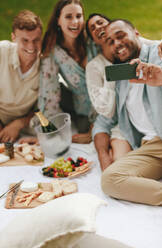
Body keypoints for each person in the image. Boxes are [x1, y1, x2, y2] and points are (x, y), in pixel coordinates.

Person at [93, 19, 162, 206]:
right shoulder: (121, 75)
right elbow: (106, 119)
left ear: (136, 32)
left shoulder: (160, 53)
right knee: (110, 180)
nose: (117, 44)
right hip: (152, 148)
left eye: (121, 35)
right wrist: (103, 154)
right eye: (110, 41)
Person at [38, 0, 99, 144]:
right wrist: (49, 131)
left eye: (79, 16)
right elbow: (49, 93)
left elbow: (120, 39)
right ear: (58, 20)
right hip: (83, 111)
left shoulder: (93, 40)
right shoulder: (53, 51)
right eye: (69, 17)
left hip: (107, 105)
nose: (75, 22)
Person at [86, 14, 132, 169]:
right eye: (93, 28)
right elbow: (106, 111)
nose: (98, 27)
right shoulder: (94, 66)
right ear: (93, 40)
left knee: (120, 163)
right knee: (101, 136)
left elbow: (147, 45)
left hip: (129, 116)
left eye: (101, 22)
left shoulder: (127, 50)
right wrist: (111, 74)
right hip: (108, 117)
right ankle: (104, 154)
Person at [0, 10, 42, 143]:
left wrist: (19, 124)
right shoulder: (2, 52)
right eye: (25, 40)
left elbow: (44, 107)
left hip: (27, 121)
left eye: (36, 40)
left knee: (54, 136)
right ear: (13, 37)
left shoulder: (47, 64)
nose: (31, 47)